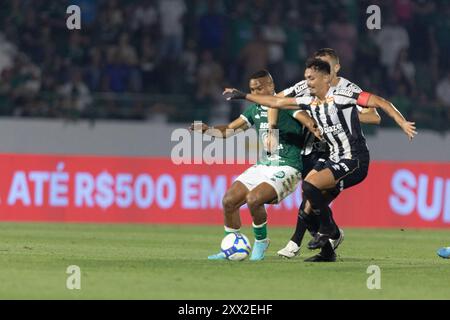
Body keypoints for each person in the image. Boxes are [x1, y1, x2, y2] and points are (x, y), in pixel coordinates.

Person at [223, 58, 417, 256]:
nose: (307, 82)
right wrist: (243, 95)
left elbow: (380, 102)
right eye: (306, 77)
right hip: (333, 157)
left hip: (354, 159)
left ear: (326, 77)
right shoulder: (309, 100)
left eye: (312, 78)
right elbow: (276, 101)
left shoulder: (343, 95)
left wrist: (401, 122)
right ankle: (326, 251)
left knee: (310, 188)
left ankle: (328, 230)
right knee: (308, 200)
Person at [191, 70, 320, 261]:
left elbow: (307, 120)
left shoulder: (286, 104)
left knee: (254, 199)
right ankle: (230, 247)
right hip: (263, 166)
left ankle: (261, 242)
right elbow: (228, 130)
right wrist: (207, 130)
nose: (256, 93)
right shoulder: (253, 110)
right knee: (229, 201)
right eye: (252, 89)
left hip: (288, 166)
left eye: (259, 88)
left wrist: (314, 128)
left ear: (271, 85)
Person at [273, 48, 381, 262]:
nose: (317, 71)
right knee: (309, 199)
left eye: (324, 66)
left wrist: (339, 117)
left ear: (335, 69)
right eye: (315, 66)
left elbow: (374, 116)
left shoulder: (347, 89)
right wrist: (276, 126)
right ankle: (326, 245)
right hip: (312, 147)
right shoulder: (306, 84)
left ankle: (299, 241)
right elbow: (277, 99)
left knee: (310, 198)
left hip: (335, 152)